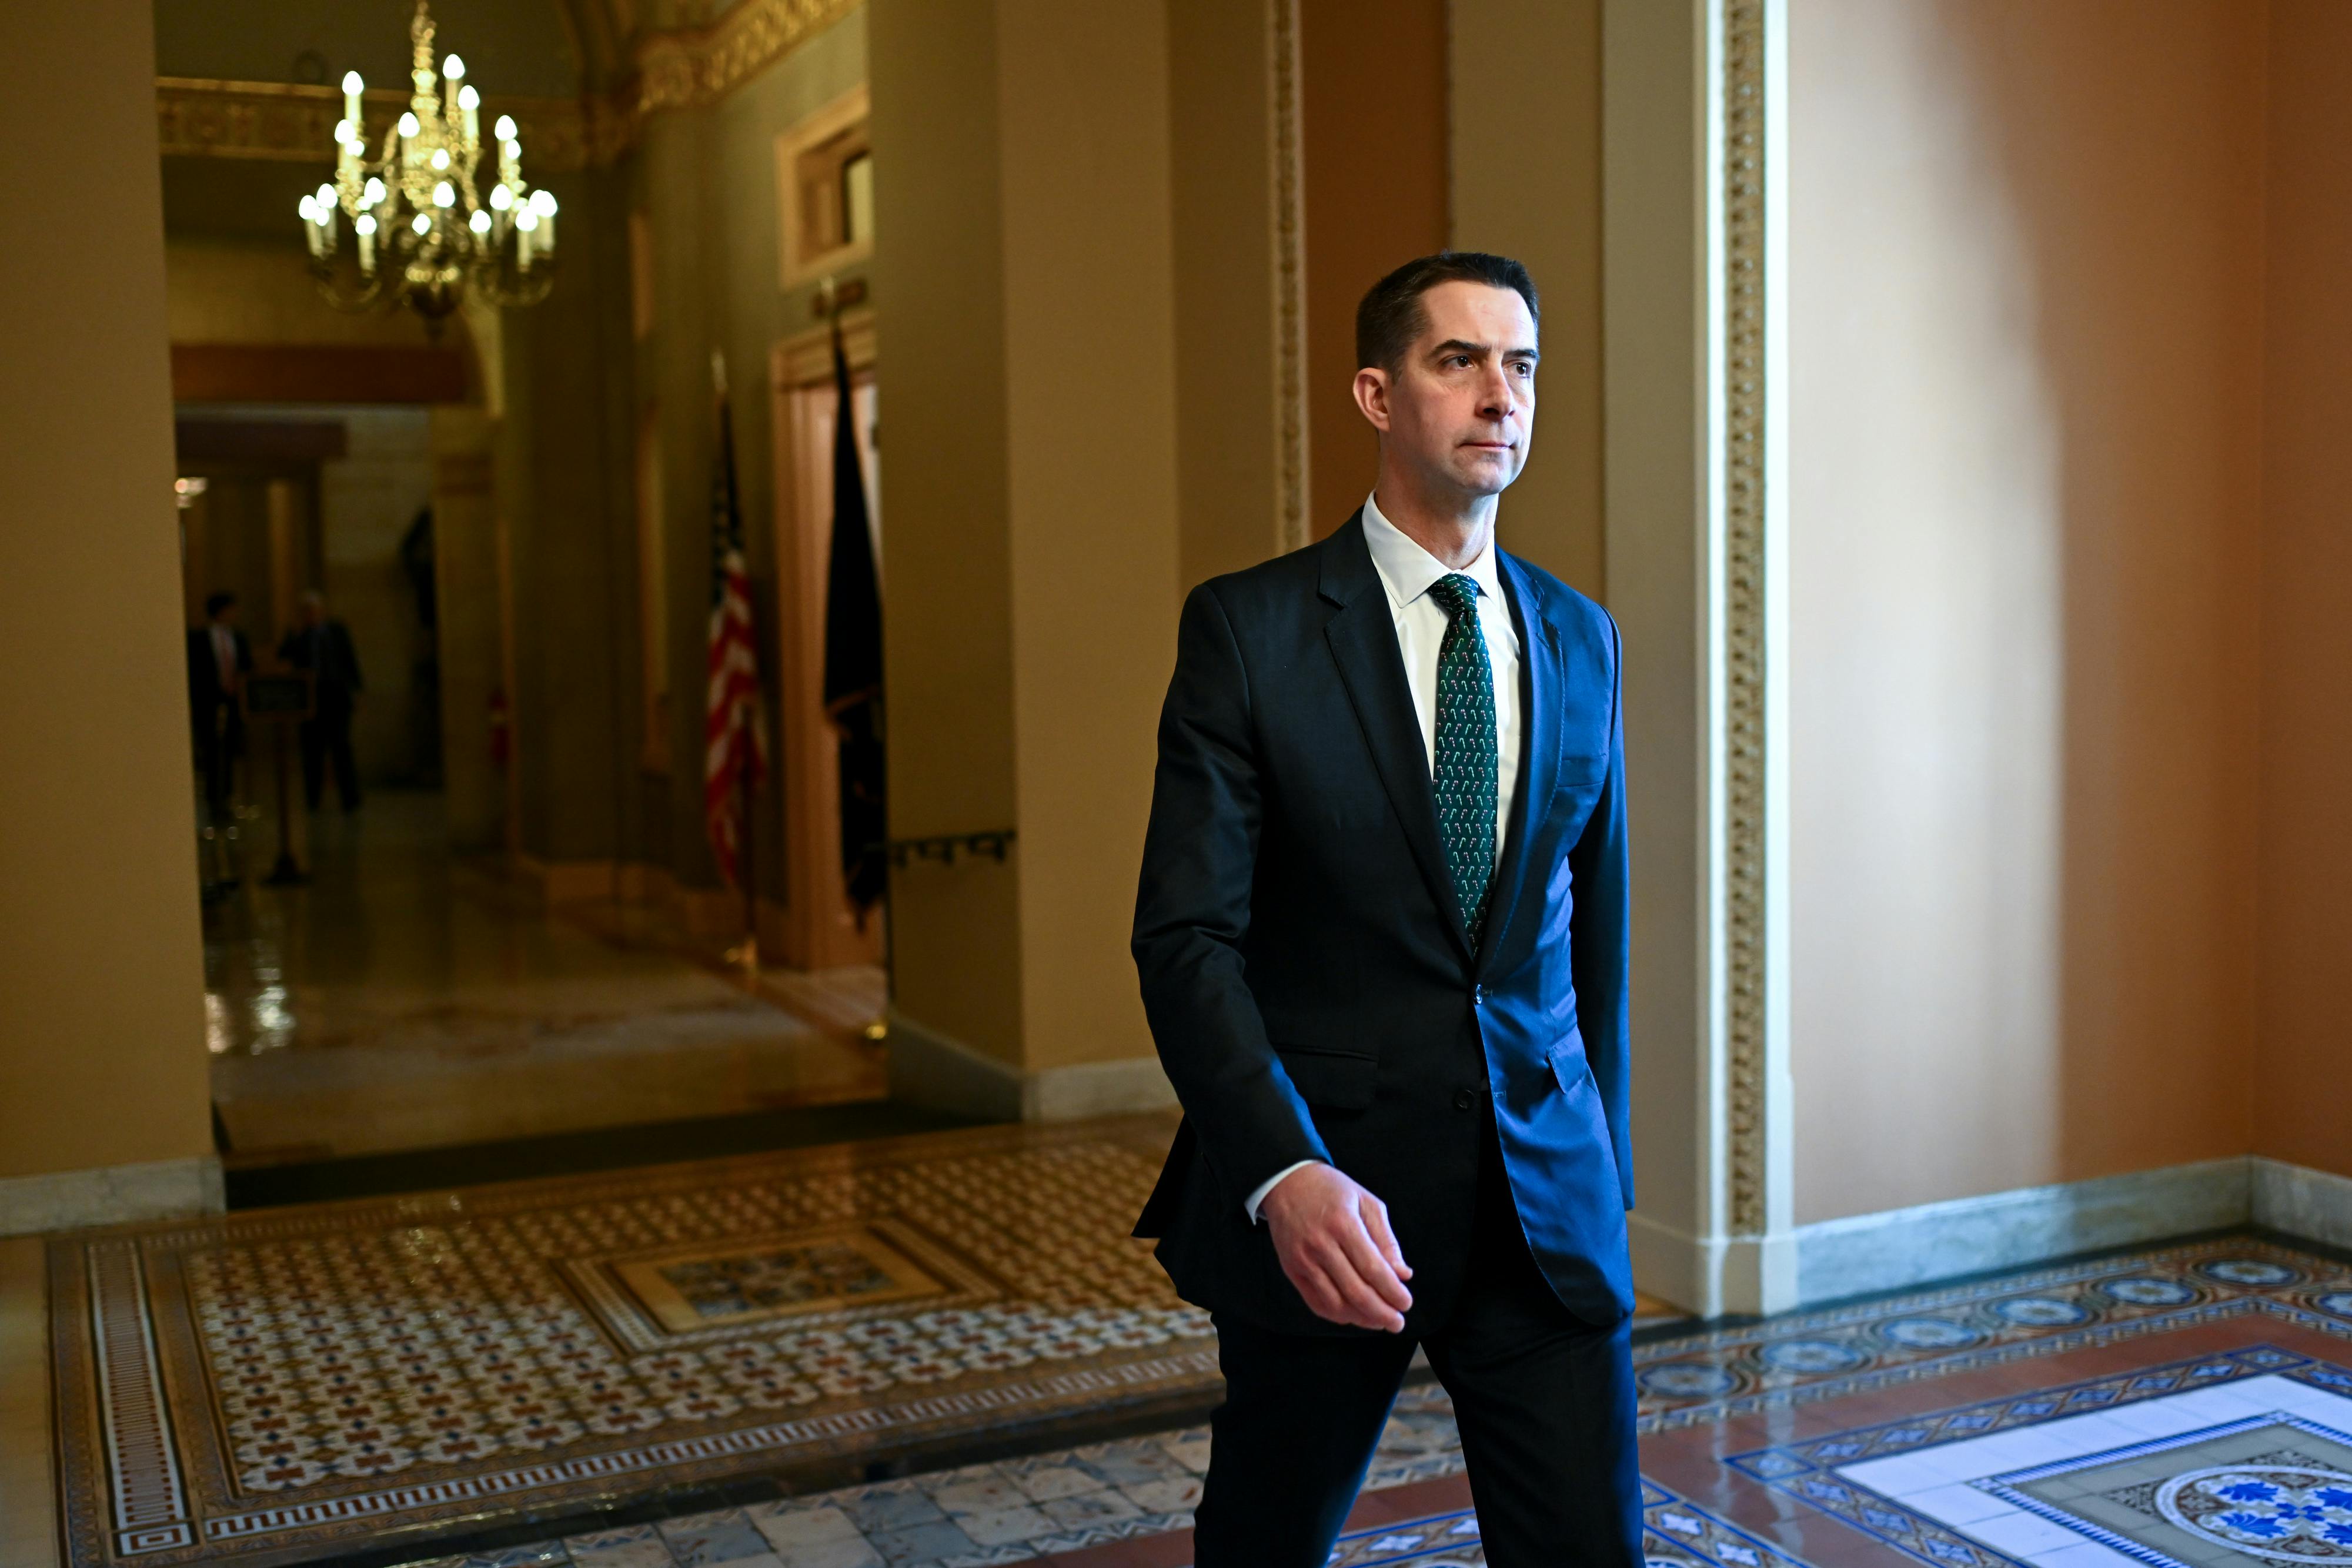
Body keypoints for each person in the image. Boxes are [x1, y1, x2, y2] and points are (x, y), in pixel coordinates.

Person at [1132, 252, 1639, 1566]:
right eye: (1455, 360)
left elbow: (1594, 937)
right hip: (1332, 1208)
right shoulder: (1248, 631)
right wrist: (1279, 1170)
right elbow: (1187, 940)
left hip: (1540, 1206)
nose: (1498, 395)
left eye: (1519, 364)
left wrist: (1603, 1169)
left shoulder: (1580, 637)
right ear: (1375, 391)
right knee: (1263, 1541)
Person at [279, 589, 365, 813]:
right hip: (310, 700)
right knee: (312, 753)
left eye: (315, 611)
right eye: (308, 612)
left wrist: (356, 691)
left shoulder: (336, 631)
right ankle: (313, 800)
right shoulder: (300, 635)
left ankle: (350, 799)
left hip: (336, 698)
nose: (312, 615)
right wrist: (294, 635)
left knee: (341, 749)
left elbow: (350, 660)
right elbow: (284, 656)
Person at [186, 590, 252, 822]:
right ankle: (214, 802)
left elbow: (246, 669)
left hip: (234, 705)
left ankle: (228, 798)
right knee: (212, 753)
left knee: (230, 752)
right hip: (208, 705)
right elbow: (195, 673)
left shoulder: (239, 638)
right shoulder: (199, 639)